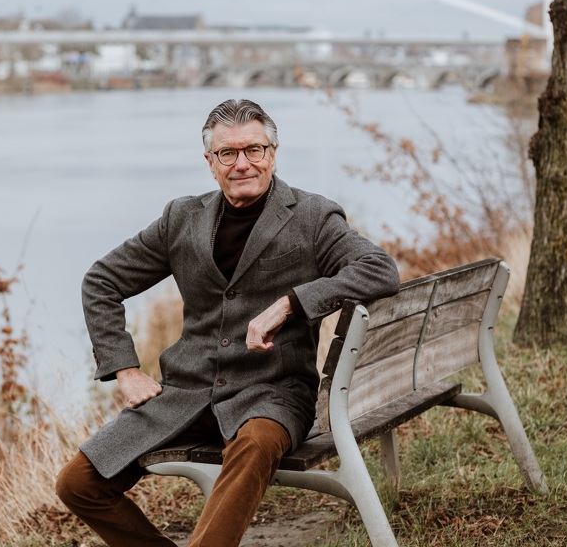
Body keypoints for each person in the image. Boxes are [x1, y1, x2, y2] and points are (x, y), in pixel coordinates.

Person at [56, 98, 399, 546]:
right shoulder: (181, 218)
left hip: (274, 395)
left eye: (254, 150)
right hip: (186, 394)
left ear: (272, 154)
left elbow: (379, 270)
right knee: (78, 484)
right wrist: (125, 370)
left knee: (255, 443)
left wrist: (289, 304)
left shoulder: (314, 217)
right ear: (210, 162)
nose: (243, 163)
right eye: (228, 154)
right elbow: (101, 281)